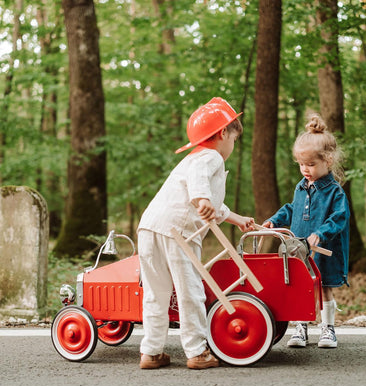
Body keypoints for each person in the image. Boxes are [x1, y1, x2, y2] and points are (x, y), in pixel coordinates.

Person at [137, 97, 255, 369]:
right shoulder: (210, 156)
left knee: (156, 293)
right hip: (179, 232)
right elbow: (201, 188)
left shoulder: (191, 160)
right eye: (234, 140)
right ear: (223, 133)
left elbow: (214, 204)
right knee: (191, 291)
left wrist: (236, 219)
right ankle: (196, 351)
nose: (232, 147)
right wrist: (201, 199)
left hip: (149, 227)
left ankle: (151, 352)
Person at [263, 113, 350, 348]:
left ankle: (328, 329)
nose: (305, 169)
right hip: (299, 247)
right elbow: (292, 209)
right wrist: (275, 220)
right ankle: (300, 327)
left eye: (311, 164)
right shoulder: (300, 187)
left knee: (324, 288)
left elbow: (340, 218)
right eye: (302, 164)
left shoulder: (335, 192)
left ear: (328, 160)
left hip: (324, 249)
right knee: (301, 287)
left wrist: (321, 232)